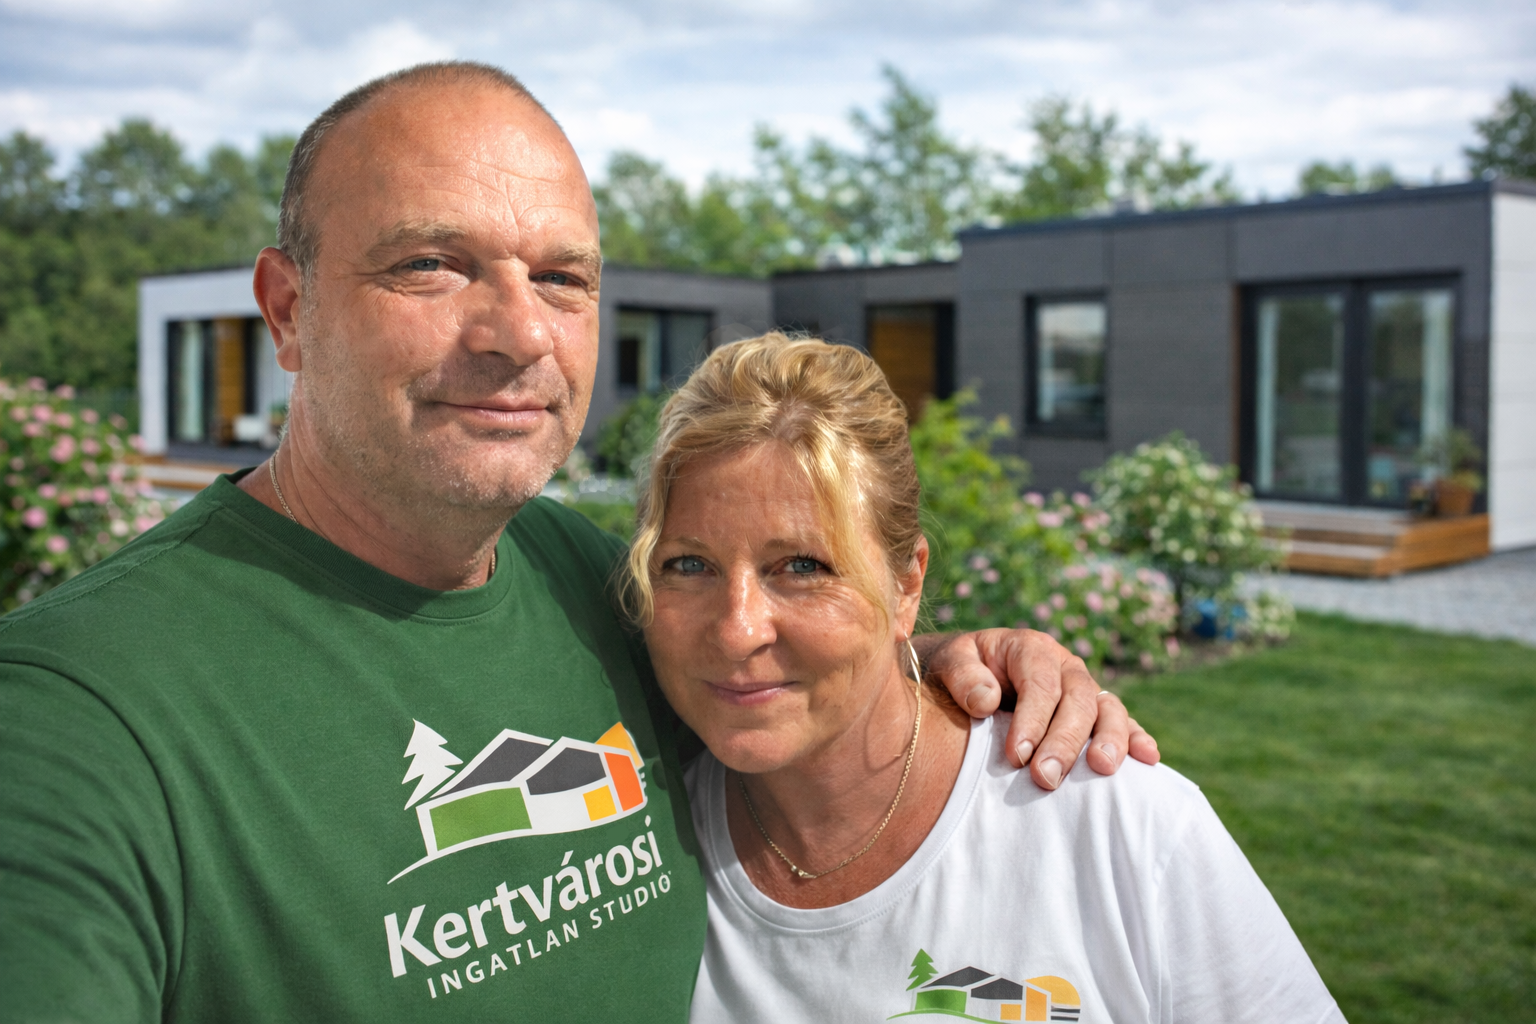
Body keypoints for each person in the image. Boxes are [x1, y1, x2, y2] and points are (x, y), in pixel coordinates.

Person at [0, 63, 1155, 1023]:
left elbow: (757, 654)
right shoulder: (72, 717)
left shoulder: (579, 580)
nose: (517, 333)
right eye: (430, 264)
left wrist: (940, 656)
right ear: (289, 309)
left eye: (561, 278)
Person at [627, 334, 1346, 1023]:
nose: (738, 629)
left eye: (803, 567)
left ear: (907, 585)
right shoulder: (634, 854)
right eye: (688, 565)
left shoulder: (1119, 826)